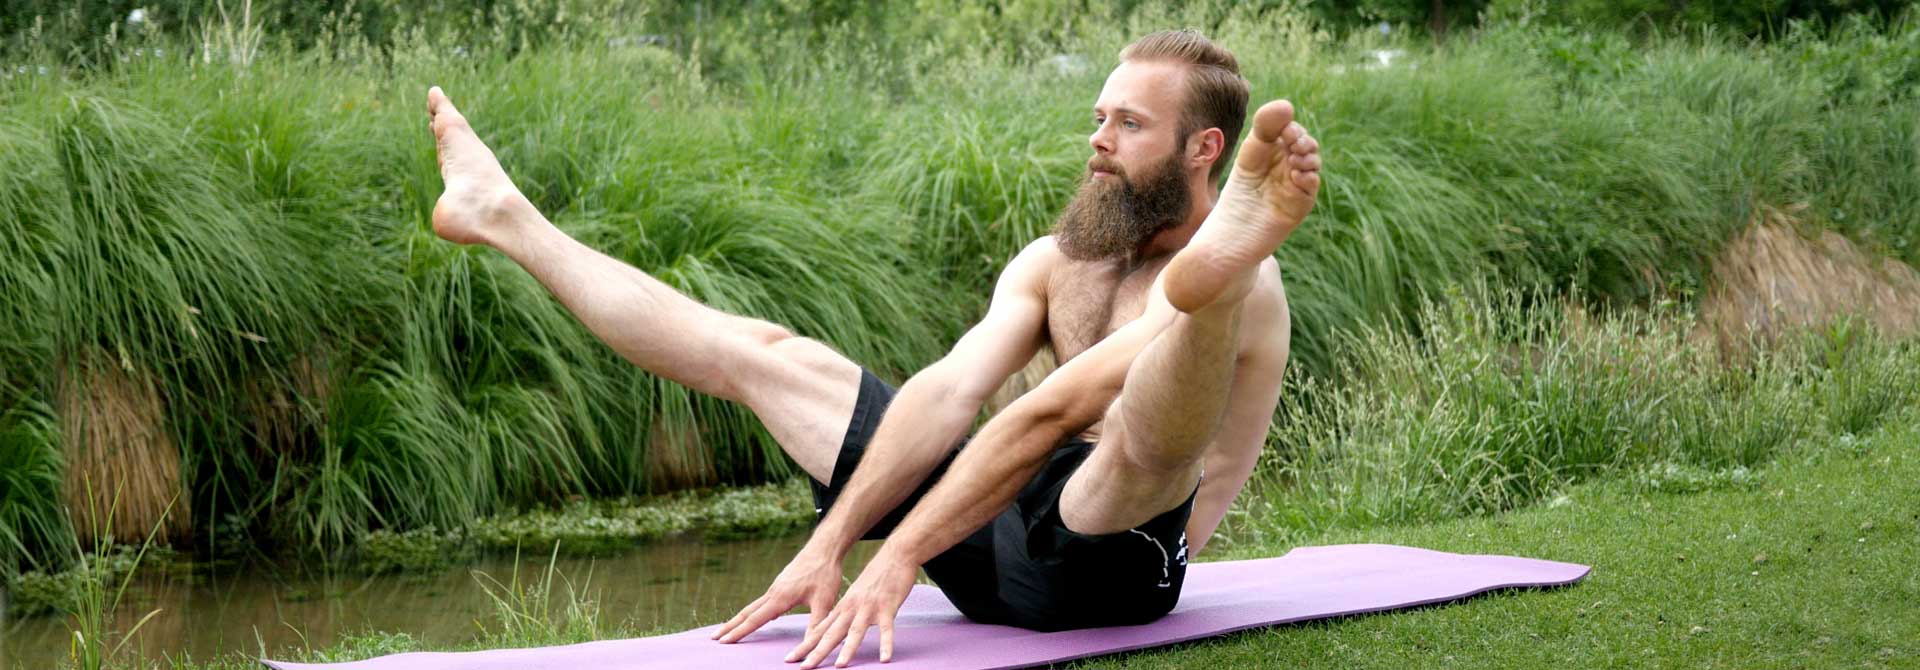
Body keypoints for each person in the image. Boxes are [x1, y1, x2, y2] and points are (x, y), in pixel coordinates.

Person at [425, 28, 1319, 669]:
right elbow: (948, 392)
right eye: (1099, 116)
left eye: (1128, 124)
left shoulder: (1256, 285)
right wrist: (837, 539)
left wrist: (896, 558)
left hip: (1117, 558)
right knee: (768, 354)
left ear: (1205, 149)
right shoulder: (1060, 263)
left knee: (1135, 435)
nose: (1096, 139)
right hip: (1002, 540)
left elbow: (1052, 410)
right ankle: (504, 216)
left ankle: (1216, 283)